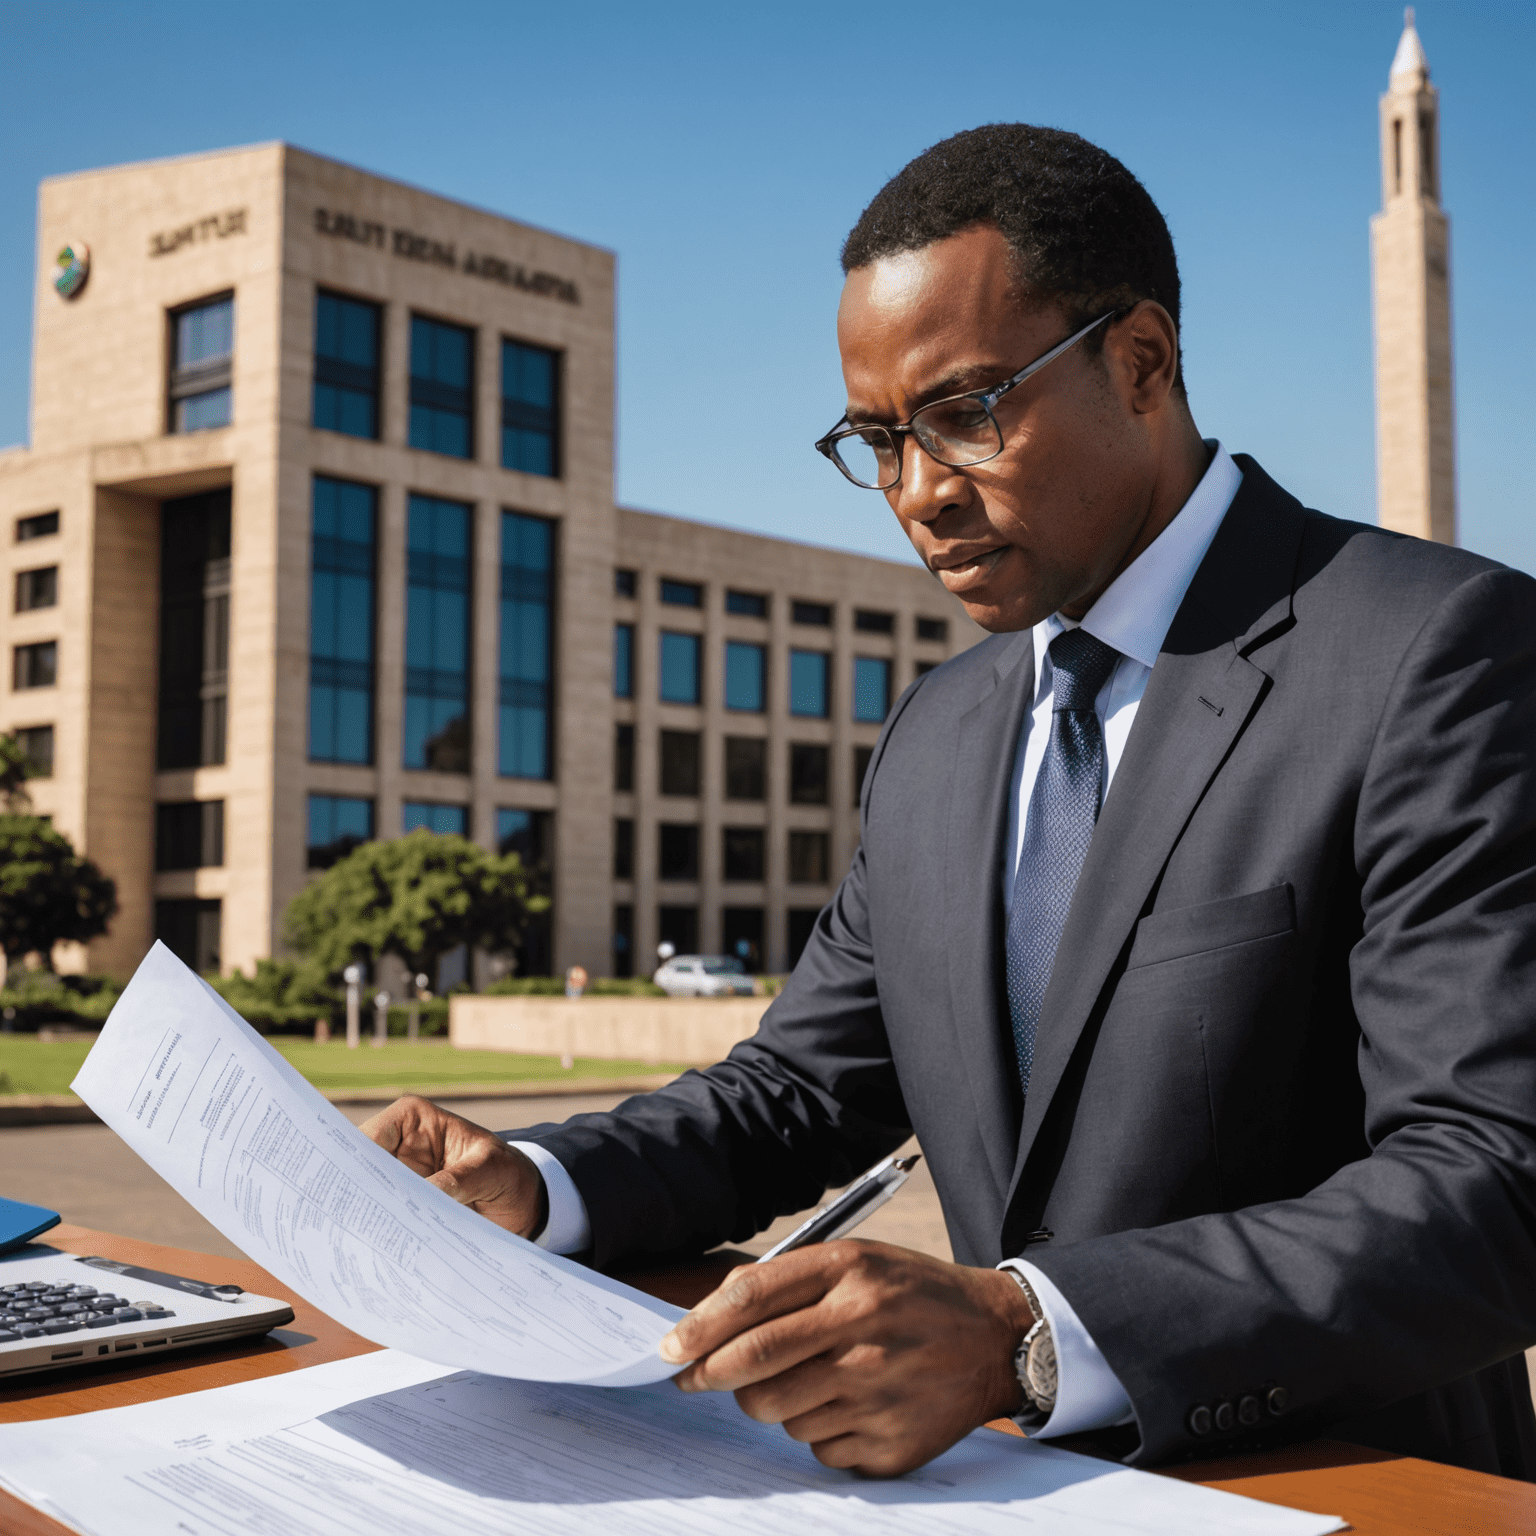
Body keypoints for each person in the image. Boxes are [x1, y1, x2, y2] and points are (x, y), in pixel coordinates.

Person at [362, 124, 1536, 1481]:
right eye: (876, 440)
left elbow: (1495, 1177)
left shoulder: (1435, 653)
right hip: (1003, 1498)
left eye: (967, 413)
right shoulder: (939, 730)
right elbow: (798, 1091)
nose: (918, 494)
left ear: (1141, 361)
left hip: (1351, 1493)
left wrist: (1025, 1334)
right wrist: (542, 1184)